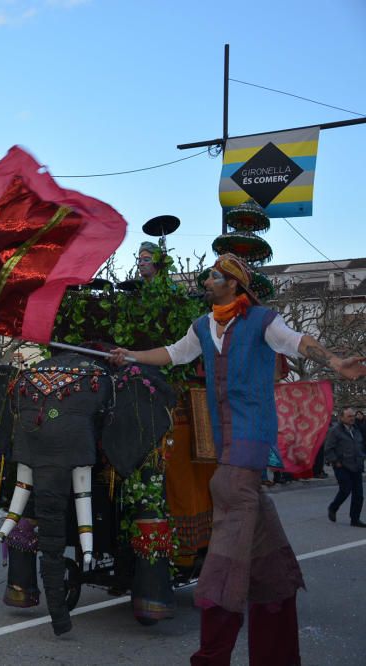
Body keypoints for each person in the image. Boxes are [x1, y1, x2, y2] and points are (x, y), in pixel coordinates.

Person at [111, 252, 366, 665]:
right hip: (224, 442)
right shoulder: (202, 326)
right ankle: (277, 654)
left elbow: (299, 342)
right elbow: (175, 354)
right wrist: (133, 356)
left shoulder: (263, 321)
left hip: (249, 440)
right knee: (270, 573)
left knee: (227, 525)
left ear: (233, 283)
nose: (206, 280)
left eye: (213, 275)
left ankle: (211, 656)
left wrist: (335, 361)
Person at [324, 407, 366, 527]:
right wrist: (335, 461)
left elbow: (361, 444)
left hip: (356, 465)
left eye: (353, 416)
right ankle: (333, 507)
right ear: (342, 417)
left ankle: (355, 519)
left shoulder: (356, 429)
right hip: (342, 465)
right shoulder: (335, 431)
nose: (352, 418)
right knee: (345, 489)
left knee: (359, 494)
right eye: (349, 416)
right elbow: (328, 449)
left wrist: (362, 456)